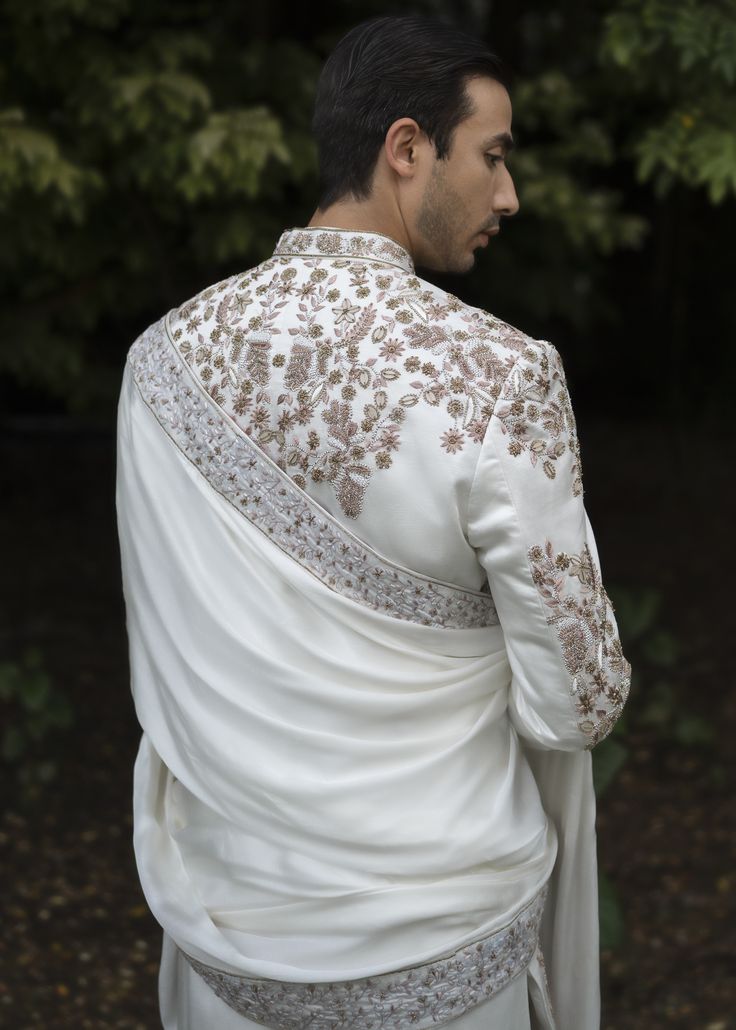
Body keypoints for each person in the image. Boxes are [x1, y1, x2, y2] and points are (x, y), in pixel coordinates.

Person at [115, 13, 631, 1030]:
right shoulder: (496, 374)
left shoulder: (159, 364)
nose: (508, 193)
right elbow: (579, 700)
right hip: (443, 953)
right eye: (490, 156)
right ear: (406, 149)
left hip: (228, 948)